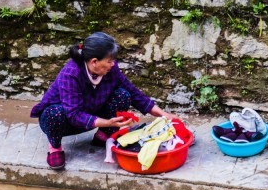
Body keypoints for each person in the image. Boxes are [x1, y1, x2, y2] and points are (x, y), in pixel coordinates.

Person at [30, 32, 179, 170]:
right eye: (109, 61)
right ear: (94, 61)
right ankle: (55, 147)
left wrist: (163, 115)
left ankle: (102, 136)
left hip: (92, 113)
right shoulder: (71, 74)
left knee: (123, 95)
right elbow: (74, 115)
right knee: (54, 114)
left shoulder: (110, 69)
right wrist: (108, 122)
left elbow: (133, 93)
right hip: (65, 121)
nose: (113, 64)